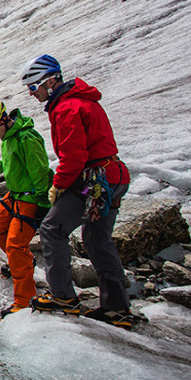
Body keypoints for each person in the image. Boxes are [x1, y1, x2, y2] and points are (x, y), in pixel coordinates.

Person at [21, 55, 141, 330]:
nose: (32, 94)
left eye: (33, 87)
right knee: (97, 239)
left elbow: (74, 157)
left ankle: (63, 297)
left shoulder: (66, 109)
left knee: (52, 229)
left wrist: (58, 185)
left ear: (49, 81)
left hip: (93, 181)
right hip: (114, 176)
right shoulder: (85, 100)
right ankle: (117, 308)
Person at [0, 99, 51, 319]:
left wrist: (42, 204)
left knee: (16, 246)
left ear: (2, 120)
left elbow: (40, 172)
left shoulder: (27, 138)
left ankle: (24, 301)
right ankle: (23, 262)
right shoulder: (8, 137)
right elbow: (10, 163)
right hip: (15, 195)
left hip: (29, 198)